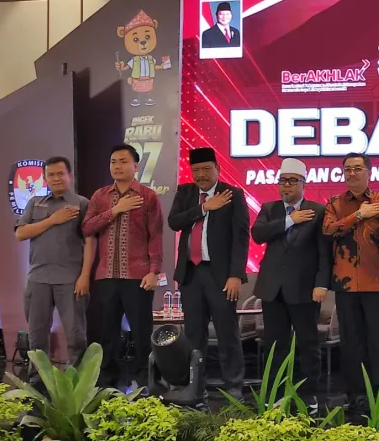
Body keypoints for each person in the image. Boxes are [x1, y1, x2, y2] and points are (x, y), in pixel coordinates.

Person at [167, 147, 249, 399]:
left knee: (226, 331)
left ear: (218, 169)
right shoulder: (185, 192)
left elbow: (241, 237)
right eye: (196, 170)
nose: (201, 175)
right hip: (191, 274)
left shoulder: (232, 194)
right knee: (193, 334)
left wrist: (236, 275)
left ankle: (233, 384)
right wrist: (204, 208)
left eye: (206, 169)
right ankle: (195, 385)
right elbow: (174, 222)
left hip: (220, 275)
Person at [251, 158, 331, 413]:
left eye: (292, 181)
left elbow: (324, 252)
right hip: (272, 288)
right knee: (275, 344)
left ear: (303, 183)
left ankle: (308, 395)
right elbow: (258, 234)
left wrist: (321, 284)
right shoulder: (270, 208)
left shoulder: (318, 210)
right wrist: (290, 220)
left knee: (308, 344)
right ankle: (275, 393)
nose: (286, 186)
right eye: (282, 181)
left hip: (304, 288)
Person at [322, 153, 379, 413]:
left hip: (378, 284)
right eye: (347, 169)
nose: (352, 173)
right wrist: (358, 215)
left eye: (357, 168)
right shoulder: (335, 203)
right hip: (346, 286)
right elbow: (328, 230)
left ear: (369, 172)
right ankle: (355, 396)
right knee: (351, 343)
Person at [82, 144, 163, 387]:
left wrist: (153, 271)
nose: (117, 166)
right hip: (106, 275)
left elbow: (155, 236)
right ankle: (107, 378)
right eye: (113, 162)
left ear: (136, 166)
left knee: (141, 330)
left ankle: (146, 377)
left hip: (137, 275)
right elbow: (87, 228)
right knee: (107, 330)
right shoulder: (100, 196)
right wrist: (116, 210)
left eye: (123, 161)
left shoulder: (148, 196)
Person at [14, 156, 95, 382]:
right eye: (51, 175)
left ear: (70, 176)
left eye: (60, 174)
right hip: (38, 278)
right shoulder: (35, 202)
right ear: (45, 178)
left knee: (76, 337)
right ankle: (38, 382)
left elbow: (90, 242)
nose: (56, 178)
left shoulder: (82, 203)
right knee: (37, 338)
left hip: (70, 279)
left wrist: (85, 275)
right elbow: (20, 233)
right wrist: (52, 220)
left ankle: (75, 383)